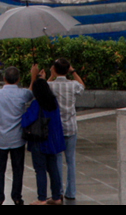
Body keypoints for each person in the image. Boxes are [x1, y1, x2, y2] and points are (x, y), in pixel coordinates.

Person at [0, 65, 33, 205]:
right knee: (18, 169)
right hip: (17, 138)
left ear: (4, 78)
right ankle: (17, 196)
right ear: (18, 79)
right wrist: (33, 77)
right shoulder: (23, 94)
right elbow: (32, 92)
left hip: (1, 137)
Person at [23, 70, 65, 205]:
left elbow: (26, 121)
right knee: (53, 169)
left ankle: (41, 198)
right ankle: (57, 197)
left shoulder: (37, 104)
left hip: (40, 141)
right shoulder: (53, 102)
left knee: (40, 170)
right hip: (53, 141)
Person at [47, 58, 85, 200]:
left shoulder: (51, 85)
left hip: (56, 128)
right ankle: (71, 192)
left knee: (57, 160)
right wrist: (73, 71)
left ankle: (58, 191)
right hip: (71, 127)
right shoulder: (73, 85)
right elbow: (82, 86)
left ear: (55, 69)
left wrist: (51, 75)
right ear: (68, 69)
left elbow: (42, 88)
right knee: (71, 160)